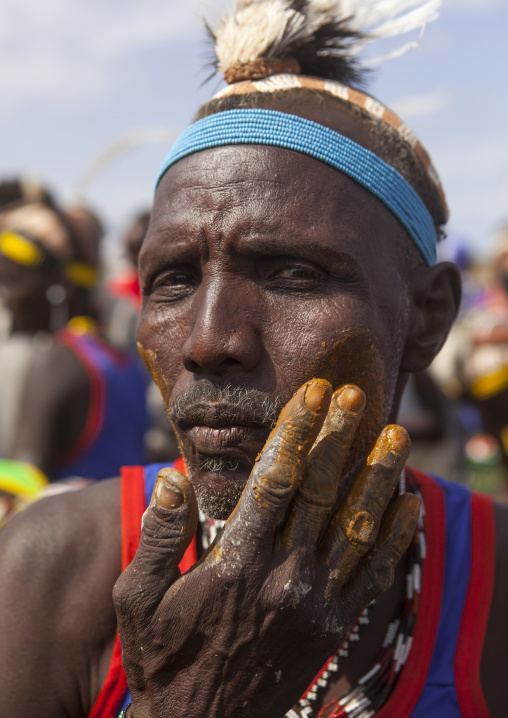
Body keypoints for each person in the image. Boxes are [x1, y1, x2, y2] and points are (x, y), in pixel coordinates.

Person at [1, 1, 507, 717]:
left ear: (425, 318)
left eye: (294, 274)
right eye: (172, 280)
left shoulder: (494, 585)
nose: (210, 342)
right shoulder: (44, 573)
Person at [0, 199, 148, 480]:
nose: (5, 299)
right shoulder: (122, 361)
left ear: (59, 287)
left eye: (12, 282)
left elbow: (22, 488)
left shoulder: (55, 364)